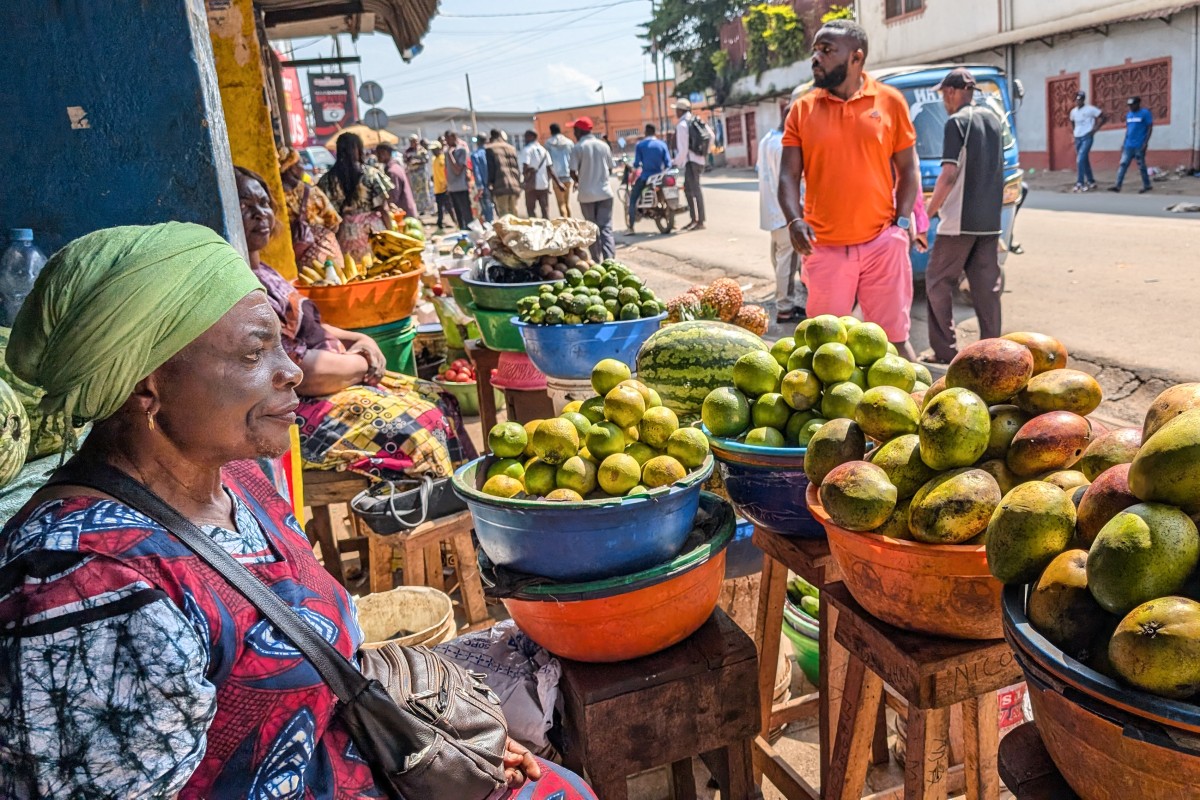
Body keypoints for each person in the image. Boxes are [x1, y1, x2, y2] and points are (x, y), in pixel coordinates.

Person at [0, 221, 597, 800]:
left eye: (281, 345)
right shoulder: (85, 587)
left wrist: (448, 736)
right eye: (254, 352)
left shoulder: (237, 478)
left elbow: (317, 656)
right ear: (144, 387)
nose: (290, 370)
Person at [237, 166, 475, 479]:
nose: (260, 213)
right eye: (245, 205)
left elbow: (306, 326)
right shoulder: (243, 289)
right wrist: (363, 364)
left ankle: (468, 497)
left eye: (263, 203)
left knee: (438, 396)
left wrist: (359, 340)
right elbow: (297, 371)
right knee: (420, 429)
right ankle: (426, 505)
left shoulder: (266, 272)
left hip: (336, 377)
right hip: (297, 407)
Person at [778, 19, 920, 359]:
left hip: (882, 244)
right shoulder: (802, 109)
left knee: (894, 342)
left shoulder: (890, 101)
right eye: (815, 50)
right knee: (824, 349)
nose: (816, 58)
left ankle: (920, 394)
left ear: (856, 57)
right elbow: (787, 176)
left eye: (827, 50)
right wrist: (794, 220)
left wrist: (901, 225)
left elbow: (908, 169)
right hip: (824, 247)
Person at [923, 68, 1006, 365]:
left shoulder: (956, 122)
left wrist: (927, 213)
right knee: (986, 289)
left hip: (959, 221)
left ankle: (945, 352)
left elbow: (948, 174)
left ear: (952, 92)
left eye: (944, 94)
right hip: (990, 221)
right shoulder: (994, 120)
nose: (944, 101)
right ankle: (993, 353)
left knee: (937, 281)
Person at [758, 110, 808, 322]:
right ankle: (785, 308)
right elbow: (790, 181)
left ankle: (786, 302)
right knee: (787, 263)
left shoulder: (767, 140)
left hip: (773, 213)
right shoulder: (783, 146)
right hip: (786, 215)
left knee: (781, 260)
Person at [317, 132, 394, 259]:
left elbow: (326, 216)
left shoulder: (326, 180)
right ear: (358, 149)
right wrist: (392, 234)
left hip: (344, 235)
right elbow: (383, 209)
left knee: (353, 269)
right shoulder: (371, 175)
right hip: (372, 233)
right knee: (377, 267)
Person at [278, 146, 344, 269]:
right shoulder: (311, 192)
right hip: (324, 255)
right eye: (300, 163)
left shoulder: (274, 197)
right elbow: (334, 223)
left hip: (292, 260)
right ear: (291, 168)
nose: (303, 167)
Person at [568, 116, 616, 261]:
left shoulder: (578, 148)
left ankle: (596, 260)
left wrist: (581, 181)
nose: (574, 133)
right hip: (605, 193)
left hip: (586, 196)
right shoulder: (603, 146)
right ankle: (610, 260)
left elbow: (572, 171)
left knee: (591, 229)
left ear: (579, 131)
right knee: (606, 228)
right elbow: (610, 168)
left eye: (574, 130)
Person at [626, 124, 671, 234]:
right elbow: (668, 163)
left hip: (646, 177)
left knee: (633, 198)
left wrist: (633, 166)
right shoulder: (662, 144)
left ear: (645, 132)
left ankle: (631, 227)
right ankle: (671, 220)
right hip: (661, 177)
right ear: (655, 132)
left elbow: (637, 163)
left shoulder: (640, 145)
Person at [672, 99, 707, 231]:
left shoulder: (682, 125)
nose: (675, 112)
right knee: (691, 189)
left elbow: (683, 150)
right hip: (699, 161)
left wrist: (675, 162)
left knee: (693, 190)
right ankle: (696, 220)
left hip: (690, 162)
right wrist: (702, 153)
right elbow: (711, 136)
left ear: (681, 111)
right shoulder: (697, 121)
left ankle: (698, 221)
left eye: (676, 110)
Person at [1109, 96, 1154, 193]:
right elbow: (1128, 130)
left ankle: (1147, 185)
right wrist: (1124, 143)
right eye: (1129, 105)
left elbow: (1150, 128)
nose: (1130, 107)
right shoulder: (1129, 115)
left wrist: (1145, 143)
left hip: (1139, 144)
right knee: (1123, 164)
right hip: (1128, 145)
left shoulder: (1145, 113)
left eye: (1132, 105)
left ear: (1138, 104)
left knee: (1141, 166)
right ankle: (1117, 185)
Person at [1068, 91, 1105, 192]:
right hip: (1077, 137)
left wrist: (1095, 129)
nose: (1078, 101)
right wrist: (1074, 132)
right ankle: (1091, 181)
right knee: (1084, 160)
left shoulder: (1090, 109)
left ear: (1083, 100)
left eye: (1080, 99)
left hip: (1087, 136)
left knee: (1080, 159)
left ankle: (1080, 182)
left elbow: (1103, 117)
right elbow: (1072, 122)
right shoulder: (1073, 112)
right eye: (1077, 100)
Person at [486, 128, 523, 218]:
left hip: (500, 185)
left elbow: (491, 169)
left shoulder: (490, 148)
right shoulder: (511, 148)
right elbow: (517, 168)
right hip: (514, 185)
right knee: (514, 213)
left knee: (504, 214)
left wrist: (490, 183)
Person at [375, 142, 417, 218]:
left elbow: (393, 196)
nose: (377, 156)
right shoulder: (395, 167)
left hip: (402, 213)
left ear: (385, 153)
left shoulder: (392, 171)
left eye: (378, 153)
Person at [445, 131, 475, 229]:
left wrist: (450, 155)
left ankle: (471, 232)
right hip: (452, 188)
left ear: (454, 137)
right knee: (459, 215)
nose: (446, 141)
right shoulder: (447, 151)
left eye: (448, 139)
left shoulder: (461, 150)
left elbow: (457, 170)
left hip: (461, 187)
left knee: (466, 214)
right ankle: (462, 232)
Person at [520, 129, 552, 218]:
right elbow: (550, 168)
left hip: (531, 185)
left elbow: (525, 167)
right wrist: (556, 183)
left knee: (531, 210)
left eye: (526, 137)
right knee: (545, 209)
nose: (525, 139)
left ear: (532, 137)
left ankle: (534, 225)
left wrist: (526, 174)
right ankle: (546, 225)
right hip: (543, 184)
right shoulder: (544, 150)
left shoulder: (527, 150)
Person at [546, 122, 576, 217]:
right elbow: (573, 159)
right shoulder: (569, 142)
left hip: (557, 178)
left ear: (551, 131)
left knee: (561, 203)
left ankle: (565, 222)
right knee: (567, 203)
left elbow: (548, 164)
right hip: (568, 176)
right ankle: (570, 222)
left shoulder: (548, 143)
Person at [404, 134, 435, 214]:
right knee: (415, 192)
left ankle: (428, 208)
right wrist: (410, 162)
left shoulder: (422, 150)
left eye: (414, 141)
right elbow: (405, 160)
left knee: (425, 191)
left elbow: (426, 160)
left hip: (422, 174)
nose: (413, 143)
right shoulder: (408, 151)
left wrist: (418, 162)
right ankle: (419, 210)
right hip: (413, 175)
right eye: (412, 141)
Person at [472, 135, 496, 223]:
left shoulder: (476, 155)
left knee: (487, 207)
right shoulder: (492, 152)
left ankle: (490, 225)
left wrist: (479, 187)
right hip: (494, 184)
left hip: (483, 186)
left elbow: (477, 171)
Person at [431, 140, 452, 233]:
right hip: (437, 188)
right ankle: (439, 223)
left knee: (449, 207)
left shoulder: (443, 158)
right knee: (439, 208)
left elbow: (446, 173)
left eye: (434, 149)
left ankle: (456, 222)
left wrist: (447, 185)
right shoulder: (434, 160)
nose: (433, 151)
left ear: (439, 149)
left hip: (444, 188)